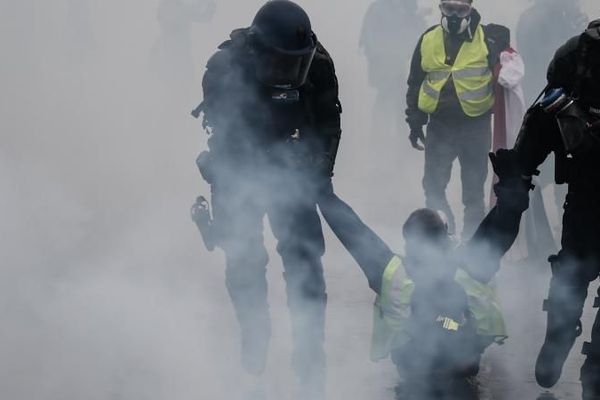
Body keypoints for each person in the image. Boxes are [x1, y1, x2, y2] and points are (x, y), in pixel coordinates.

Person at [191, 2, 342, 398]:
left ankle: (310, 353)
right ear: (259, 51)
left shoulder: (319, 64)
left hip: (292, 163)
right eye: (279, 62)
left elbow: (328, 124)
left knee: (305, 257)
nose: (288, 72)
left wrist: (315, 169)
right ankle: (253, 343)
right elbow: (228, 134)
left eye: (296, 63)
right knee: (244, 258)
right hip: (240, 162)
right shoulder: (226, 68)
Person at [317, 149, 530, 396]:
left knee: (439, 320)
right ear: (445, 240)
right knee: (446, 321)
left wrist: (322, 192)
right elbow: (501, 227)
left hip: (416, 365)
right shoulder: (470, 264)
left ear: (409, 243)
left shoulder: (392, 271)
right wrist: (514, 188)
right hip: (462, 363)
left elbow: (353, 230)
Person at [510, 20, 600, 400]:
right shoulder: (576, 57)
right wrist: (518, 169)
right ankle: (559, 336)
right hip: (588, 192)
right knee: (572, 273)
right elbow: (544, 117)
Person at [406, 0, 510, 238]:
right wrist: (414, 120)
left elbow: (505, 79)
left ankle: (472, 244)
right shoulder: (428, 39)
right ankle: (443, 236)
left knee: (473, 192)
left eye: (460, 10)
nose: (453, 15)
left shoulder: (488, 40)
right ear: (440, 8)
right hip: (439, 126)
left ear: (470, 9)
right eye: (448, 9)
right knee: (432, 186)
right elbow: (415, 81)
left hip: (476, 126)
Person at [516, 0, 588, 259]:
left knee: (558, 181)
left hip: (567, 115)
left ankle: (554, 235)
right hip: (552, 111)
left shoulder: (567, 17)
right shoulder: (537, 20)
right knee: (539, 178)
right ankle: (541, 241)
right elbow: (546, 63)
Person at [360, 0, 425, 135]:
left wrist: (417, 18)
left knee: (401, 101)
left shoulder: (407, 8)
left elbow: (415, 34)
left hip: (398, 64)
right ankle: (380, 140)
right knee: (386, 100)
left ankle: (401, 141)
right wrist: (378, 57)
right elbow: (370, 37)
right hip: (385, 65)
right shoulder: (380, 8)